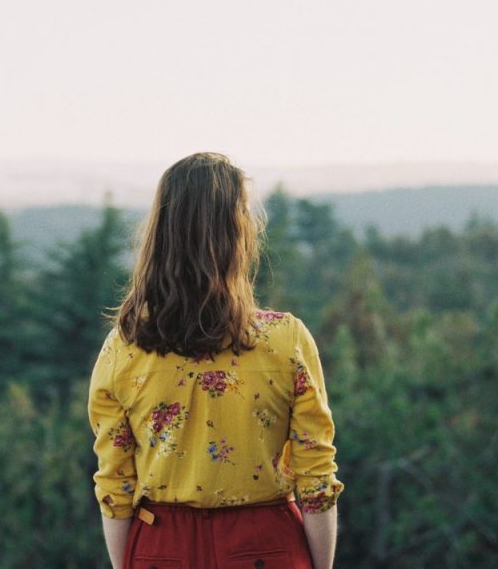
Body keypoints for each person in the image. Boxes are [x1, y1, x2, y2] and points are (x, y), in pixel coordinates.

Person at [88, 152, 344, 569]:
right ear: (237, 232)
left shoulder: (123, 349)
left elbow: (115, 487)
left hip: (160, 548)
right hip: (267, 547)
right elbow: (316, 479)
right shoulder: (286, 341)